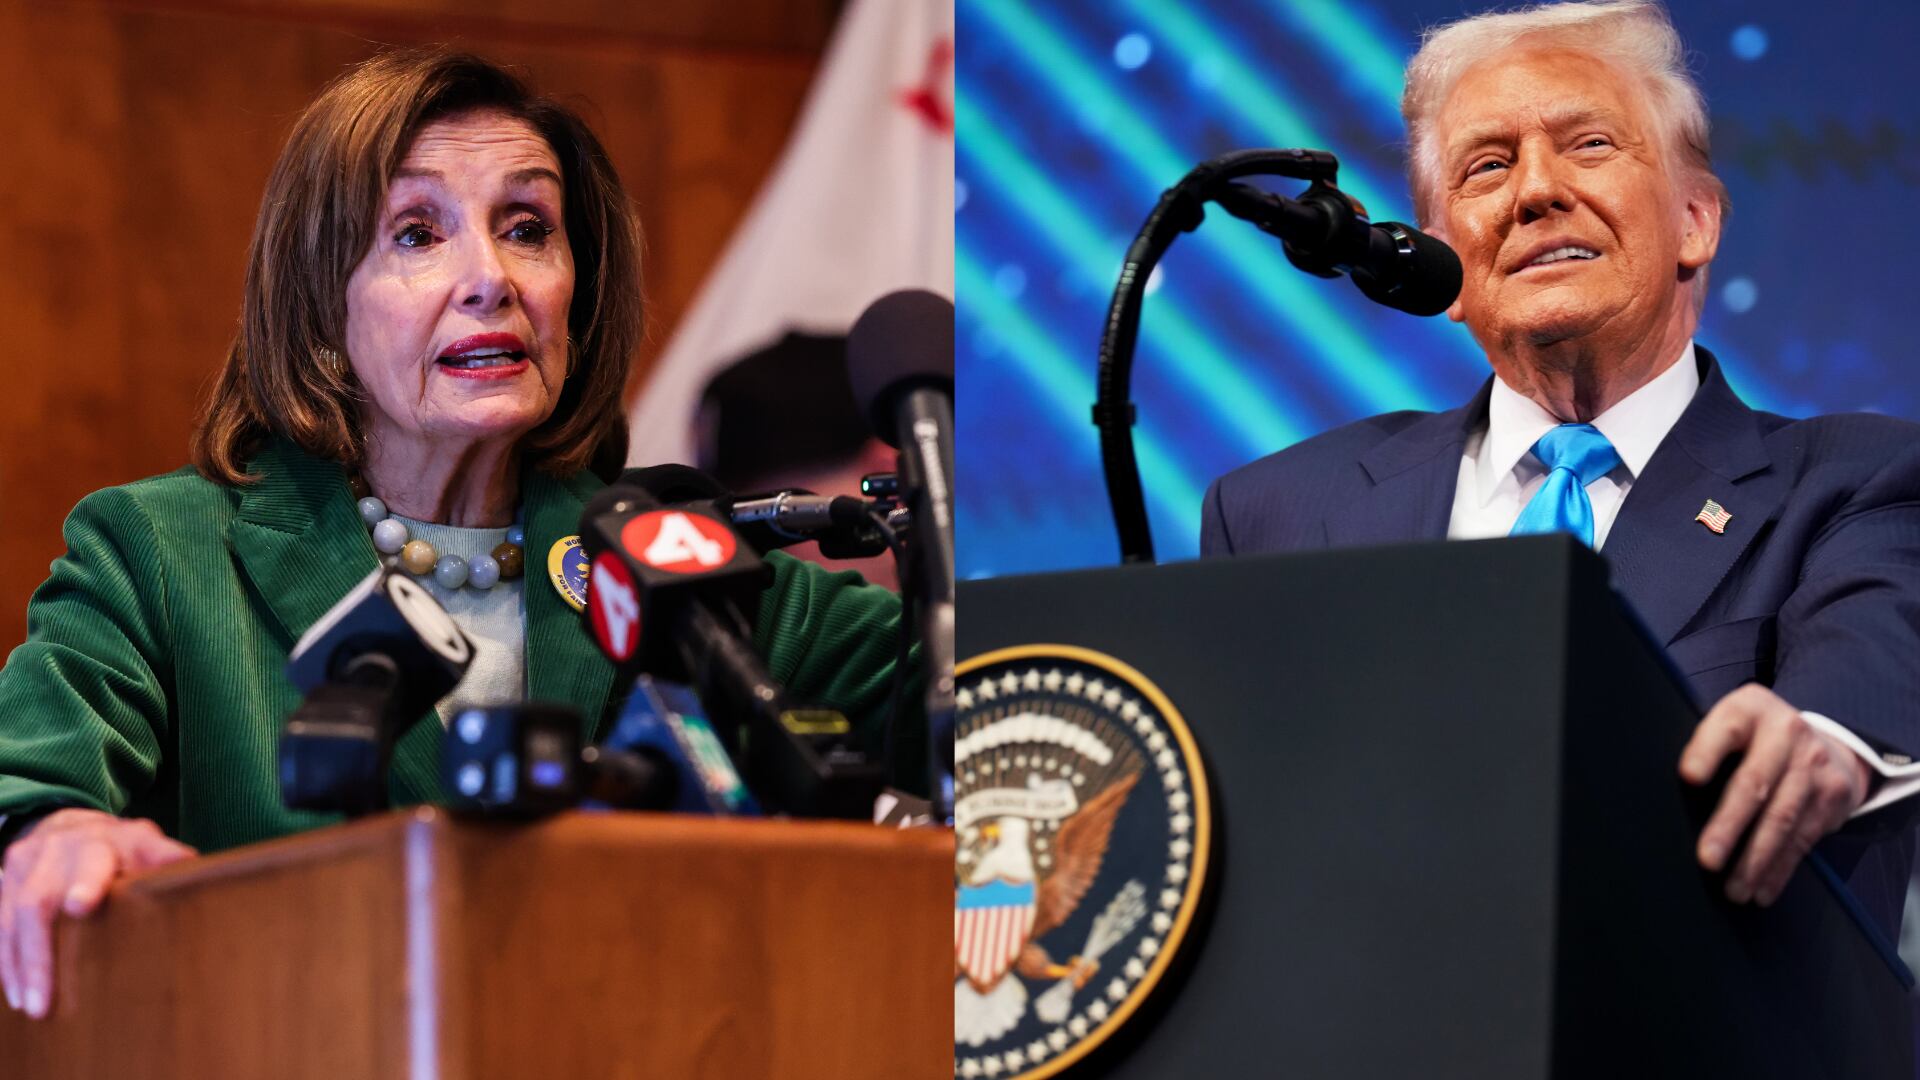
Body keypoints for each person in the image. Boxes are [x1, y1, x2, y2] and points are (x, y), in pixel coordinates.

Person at [0, 50, 911, 1020]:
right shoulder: (160, 553)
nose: (491, 279)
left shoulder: (670, 558)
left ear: (578, 291)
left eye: (527, 229)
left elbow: (969, 686)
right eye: (418, 232)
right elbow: (33, 778)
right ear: (319, 300)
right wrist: (48, 828)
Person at [1203, 0, 1920, 941]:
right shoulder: (1275, 511)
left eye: (1588, 145)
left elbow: (1875, 654)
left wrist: (1823, 738)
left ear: (1696, 222)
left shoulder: (1854, 482)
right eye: (1487, 165)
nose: (1535, 191)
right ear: (1437, 264)